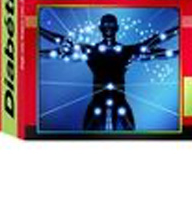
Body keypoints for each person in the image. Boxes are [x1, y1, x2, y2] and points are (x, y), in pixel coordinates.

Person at [40, 13, 178, 131]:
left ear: (116, 27)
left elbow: (152, 45)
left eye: (111, 25)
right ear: (101, 28)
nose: (108, 28)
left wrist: (178, 41)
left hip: (116, 104)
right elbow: (63, 47)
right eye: (106, 25)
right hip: (101, 104)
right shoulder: (95, 51)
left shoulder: (122, 51)